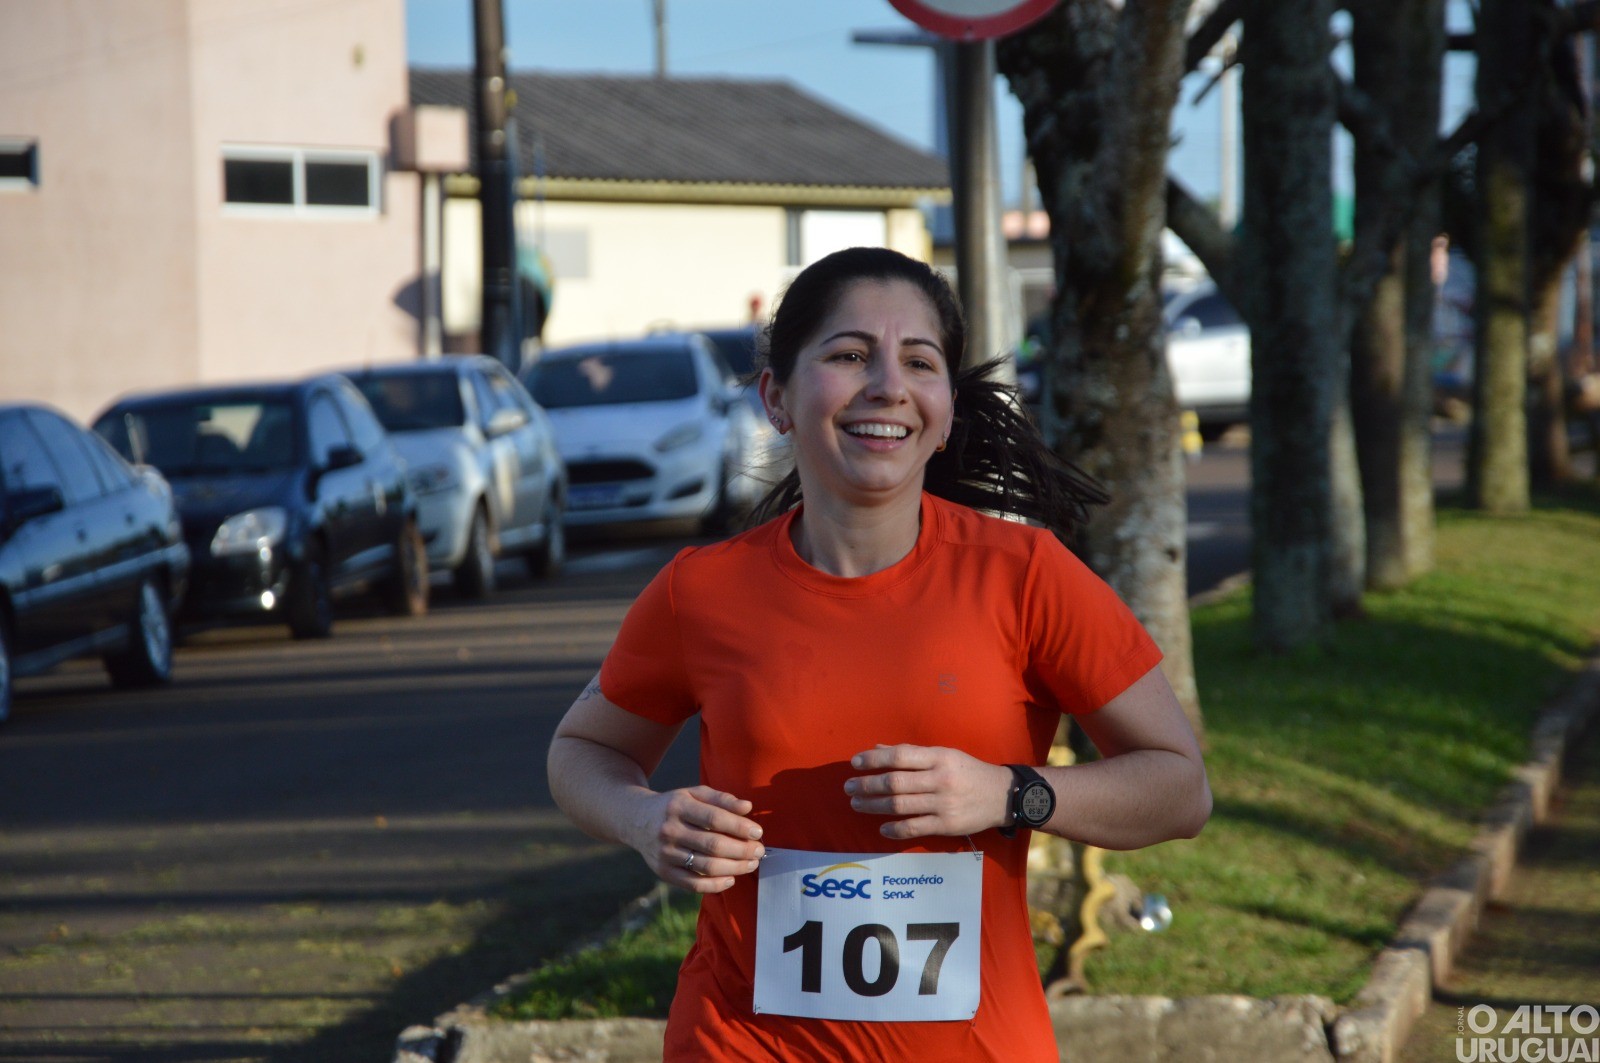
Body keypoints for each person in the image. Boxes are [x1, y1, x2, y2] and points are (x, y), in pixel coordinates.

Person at [547, 246, 1211, 1061]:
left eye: (918, 361)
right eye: (849, 353)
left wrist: (1008, 793)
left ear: (945, 413)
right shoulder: (701, 591)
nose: (887, 384)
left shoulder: (1025, 576)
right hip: (738, 1043)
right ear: (777, 398)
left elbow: (1181, 789)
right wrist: (643, 817)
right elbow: (581, 750)